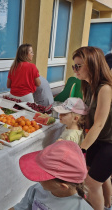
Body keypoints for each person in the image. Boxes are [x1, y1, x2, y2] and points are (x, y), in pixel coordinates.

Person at [72, 46, 112, 210]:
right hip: (98, 139)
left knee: (91, 183)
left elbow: (100, 123)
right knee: (97, 175)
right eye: (73, 66)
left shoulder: (105, 88)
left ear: (93, 64)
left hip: (109, 143)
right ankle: (107, 203)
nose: (75, 70)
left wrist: (81, 149)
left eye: (78, 66)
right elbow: (87, 114)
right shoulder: (87, 86)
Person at [9, 140, 92, 210]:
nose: (38, 178)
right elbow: (20, 208)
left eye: (42, 176)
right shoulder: (36, 189)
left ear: (63, 186)